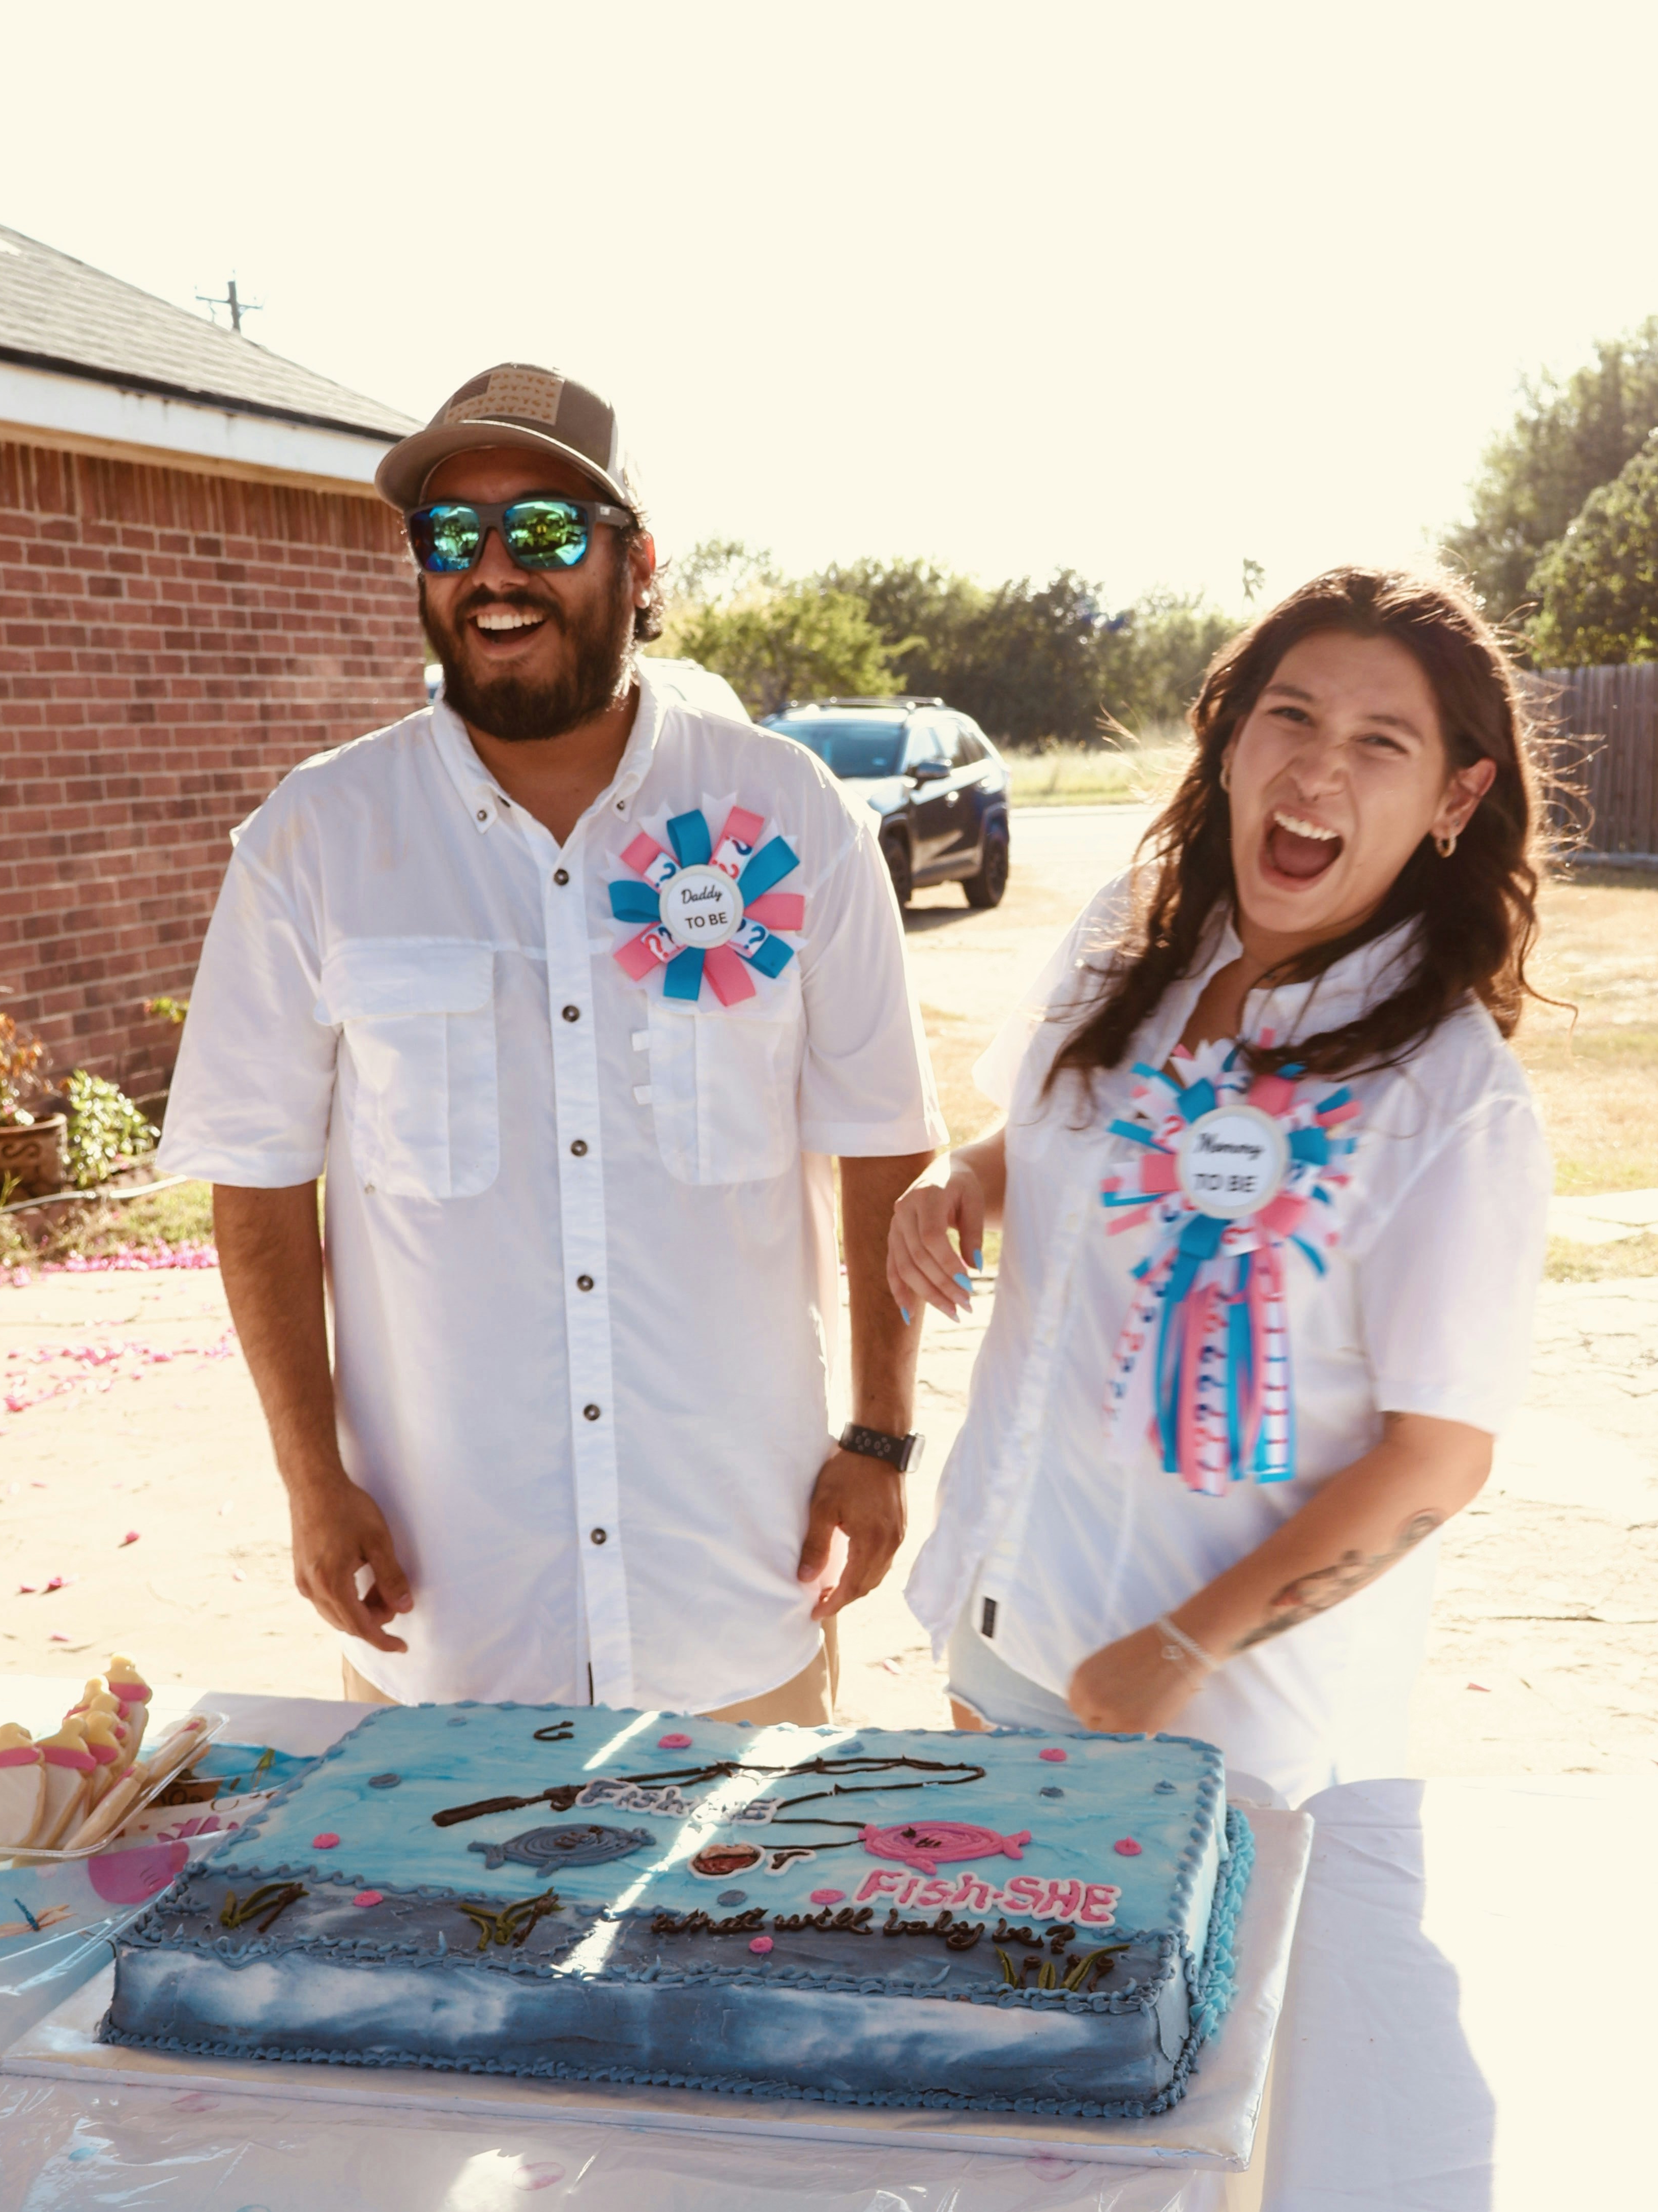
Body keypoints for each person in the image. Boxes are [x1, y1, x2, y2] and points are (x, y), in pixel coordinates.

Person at [158, 361, 942, 1720]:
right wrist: (310, 1477)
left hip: (736, 1584)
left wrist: (879, 1434)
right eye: (452, 536)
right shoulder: (317, 842)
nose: (494, 570)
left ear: (637, 564)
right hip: (447, 1603)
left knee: (750, 1932)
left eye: (546, 531)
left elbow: (882, 1142)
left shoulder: (788, 811)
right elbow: (260, 1185)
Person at [891, 568, 1553, 1807]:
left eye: (1378, 742)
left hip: (1219, 1730)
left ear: (1455, 793)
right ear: (1231, 733)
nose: (1314, 773)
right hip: (1007, 1624)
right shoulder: (1127, 932)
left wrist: (1184, 1648)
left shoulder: (1451, 1100)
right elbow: (1035, 1133)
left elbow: (1437, 1455)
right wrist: (959, 1177)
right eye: (1289, 716)